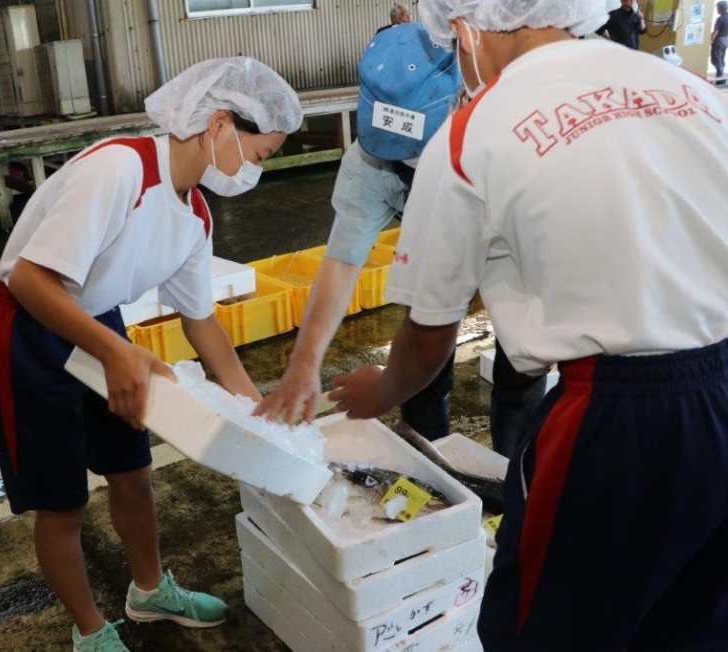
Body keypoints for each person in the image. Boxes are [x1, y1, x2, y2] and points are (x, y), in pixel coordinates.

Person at [328, 0, 728, 649]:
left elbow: (430, 337)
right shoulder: (685, 89)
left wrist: (380, 392)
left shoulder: (471, 133)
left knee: (542, 627)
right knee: (692, 619)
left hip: (619, 417)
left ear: (465, 29)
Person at [0, 57, 302, 652]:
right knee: (63, 502)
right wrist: (119, 354)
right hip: (26, 325)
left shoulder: (196, 218)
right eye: (261, 153)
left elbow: (203, 327)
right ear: (221, 123)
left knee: (133, 473)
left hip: (96, 321)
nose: (257, 168)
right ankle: (91, 632)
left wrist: (261, 417)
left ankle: (149, 592)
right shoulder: (121, 170)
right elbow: (28, 280)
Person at [255, 23, 546, 459]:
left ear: (461, 102)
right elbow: (341, 263)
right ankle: (431, 471)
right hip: (435, 246)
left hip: (514, 248)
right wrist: (303, 363)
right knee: (422, 373)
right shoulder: (369, 164)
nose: (413, 166)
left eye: (421, 154)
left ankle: (519, 481)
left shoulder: (512, 134)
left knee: (522, 370)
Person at [712, 1, 728, 81]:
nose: (716, 10)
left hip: (719, 40)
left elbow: (716, 31)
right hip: (726, 39)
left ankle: (720, 78)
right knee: (721, 57)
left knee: (717, 58)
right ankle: (721, 77)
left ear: (720, 9)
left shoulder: (720, 19)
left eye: (717, 8)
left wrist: (711, 40)